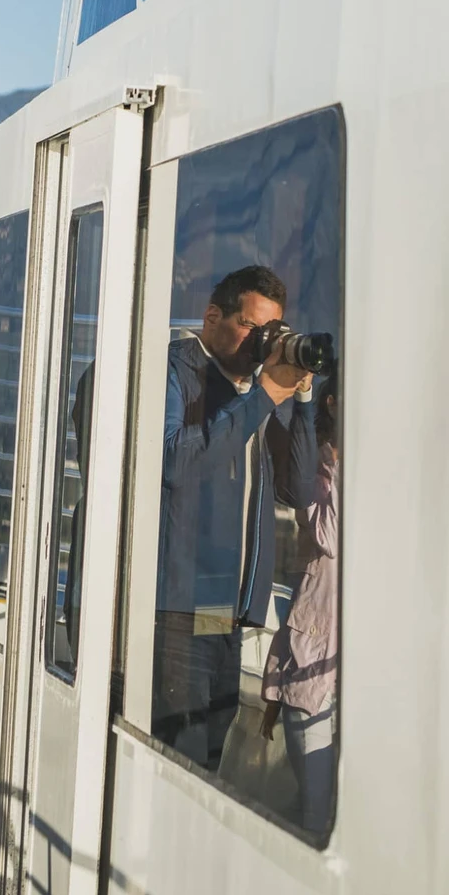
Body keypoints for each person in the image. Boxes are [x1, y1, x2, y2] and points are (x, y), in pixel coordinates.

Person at [154, 265, 317, 770]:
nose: (259, 342)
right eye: (251, 326)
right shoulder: (174, 372)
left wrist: (302, 397)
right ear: (212, 317)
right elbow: (174, 463)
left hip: (232, 612)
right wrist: (262, 397)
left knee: (207, 766)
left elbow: (300, 487)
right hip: (179, 607)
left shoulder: (251, 393)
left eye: (271, 332)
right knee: (177, 762)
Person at [261, 377, 339, 833]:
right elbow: (331, 535)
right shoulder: (318, 473)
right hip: (311, 675)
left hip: (353, 678)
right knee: (315, 816)